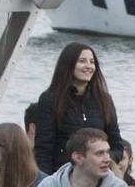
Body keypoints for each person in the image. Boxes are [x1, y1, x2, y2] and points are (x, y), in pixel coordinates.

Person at [30, 42, 123, 174]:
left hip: (98, 177)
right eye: (82, 61)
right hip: (62, 175)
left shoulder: (104, 100)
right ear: (68, 65)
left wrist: (100, 159)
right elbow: (43, 149)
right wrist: (47, 181)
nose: (88, 66)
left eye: (92, 62)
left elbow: (117, 145)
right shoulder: (50, 99)